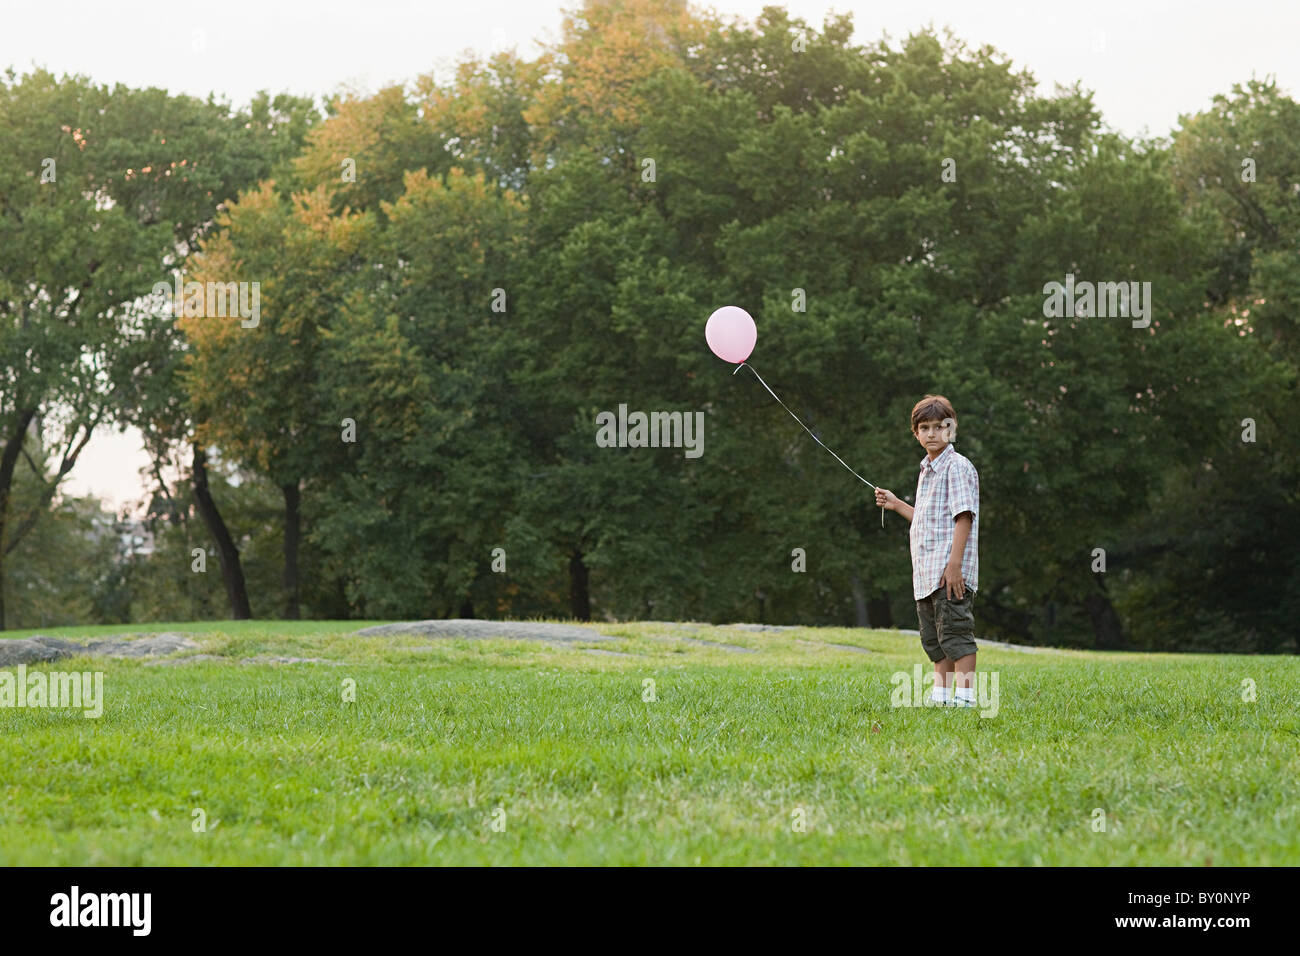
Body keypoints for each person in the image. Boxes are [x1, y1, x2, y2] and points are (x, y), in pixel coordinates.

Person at [875, 395, 980, 708]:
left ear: (951, 429)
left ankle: (965, 697)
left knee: (957, 632)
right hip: (926, 572)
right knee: (935, 639)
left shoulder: (957, 467)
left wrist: (955, 565)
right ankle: (942, 696)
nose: (932, 433)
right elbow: (926, 518)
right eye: (925, 428)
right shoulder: (926, 471)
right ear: (916, 433)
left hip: (950, 571)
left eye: (939, 426)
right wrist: (896, 504)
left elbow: (964, 516)